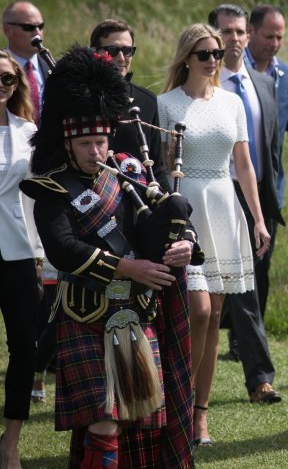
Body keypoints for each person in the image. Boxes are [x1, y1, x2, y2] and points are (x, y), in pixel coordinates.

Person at [20, 45, 196, 468]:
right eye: (86, 143)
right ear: (67, 142)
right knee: (104, 421)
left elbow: (154, 230)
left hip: (136, 312)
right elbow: (63, 248)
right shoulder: (52, 188)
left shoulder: (128, 177)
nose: (96, 152)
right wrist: (126, 266)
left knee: (138, 426)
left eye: (101, 141)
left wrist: (183, 238)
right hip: (85, 315)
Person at [90, 18, 198, 466]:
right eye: (112, 50)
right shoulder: (78, 100)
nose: (120, 58)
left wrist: (181, 233)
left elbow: (156, 178)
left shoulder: (147, 103)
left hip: (144, 234)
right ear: (95, 51)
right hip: (95, 230)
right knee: (102, 376)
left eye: (127, 51)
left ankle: (153, 453)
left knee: (157, 354)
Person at [158, 24, 270, 446]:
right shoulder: (166, 105)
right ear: (186, 56)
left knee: (215, 316)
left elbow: (244, 166)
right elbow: (163, 168)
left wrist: (257, 219)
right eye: (204, 53)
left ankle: (199, 416)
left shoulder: (232, 101)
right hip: (185, 211)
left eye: (217, 54)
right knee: (198, 311)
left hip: (225, 208)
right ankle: (178, 405)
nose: (211, 61)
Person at [208, 4, 285, 404]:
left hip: (256, 198)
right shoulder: (204, 86)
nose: (234, 39)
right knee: (235, 293)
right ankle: (259, 379)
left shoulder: (263, 83)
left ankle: (258, 378)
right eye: (226, 32)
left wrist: (267, 207)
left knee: (248, 289)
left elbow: (269, 150)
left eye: (239, 31)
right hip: (214, 193)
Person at [244, 5, 288, 317]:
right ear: (251, 32)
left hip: (269, 186)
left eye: (280, 37)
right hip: (233, 181)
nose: (274, 43)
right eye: (269, 35)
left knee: (261, 260)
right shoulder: (232, 70)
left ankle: (248, 338)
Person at [0, 50, 42, 469]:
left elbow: (38, 197)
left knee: (26, 348)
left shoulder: (27, 131)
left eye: (8, 79)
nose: (1, 85)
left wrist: (41, 252)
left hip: (17, 251)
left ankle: (9, 443)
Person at [2, 1, 48, 123]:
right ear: (7, 30)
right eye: (29, 27)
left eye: (40, 26)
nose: (37, 33)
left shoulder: (53, 67)